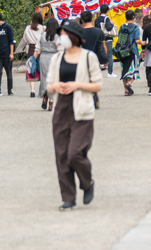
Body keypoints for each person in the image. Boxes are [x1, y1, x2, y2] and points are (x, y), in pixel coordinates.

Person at [45, 21, 103, 211]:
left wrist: (77, 85)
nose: (61, 37)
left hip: (82, 110)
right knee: (62, 155)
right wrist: (57, 87)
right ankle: (68, 197)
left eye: (64, 34)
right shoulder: (57, 58)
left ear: (74, 37)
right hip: (61, 110)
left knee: (75, 153)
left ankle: (87, 183)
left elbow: (97, 85)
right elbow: (49, 85)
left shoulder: (89, 57)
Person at [115, 11, 142, 96]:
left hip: (123, 51)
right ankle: (129, 83)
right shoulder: (136, 28)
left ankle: (126, 91)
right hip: (132, 50)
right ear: (133, 17)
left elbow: (119, 37)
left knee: (125, 71)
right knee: (134, 70)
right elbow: (137, 40)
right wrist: (143, 43)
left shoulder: (122, 27)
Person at [17, 13, 44, 98]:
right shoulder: (43, 28)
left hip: (31, 49)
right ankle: (42, 89)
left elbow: (24, 39)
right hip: (41, 49)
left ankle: (32, 90)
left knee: (31, 68)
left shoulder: (27, 28)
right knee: (42, 69)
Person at [37, 18, 60, 110]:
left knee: (44, 79)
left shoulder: (42, 35)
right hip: (54, 58)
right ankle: (51, 100)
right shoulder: (58, 37)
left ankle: (45, 96)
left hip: (43, 57)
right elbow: (60, 50)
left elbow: (37, 48)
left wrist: (32, 59)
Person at [96, 4, 118, 77]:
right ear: (107, 11)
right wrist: (112, 24)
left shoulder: (97, 19)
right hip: (107, 39)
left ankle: (98, 72)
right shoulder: (107, 18)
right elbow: (108, 28)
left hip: (99, 39)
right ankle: (110, 72)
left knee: (99, 54)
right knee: (109, 55)